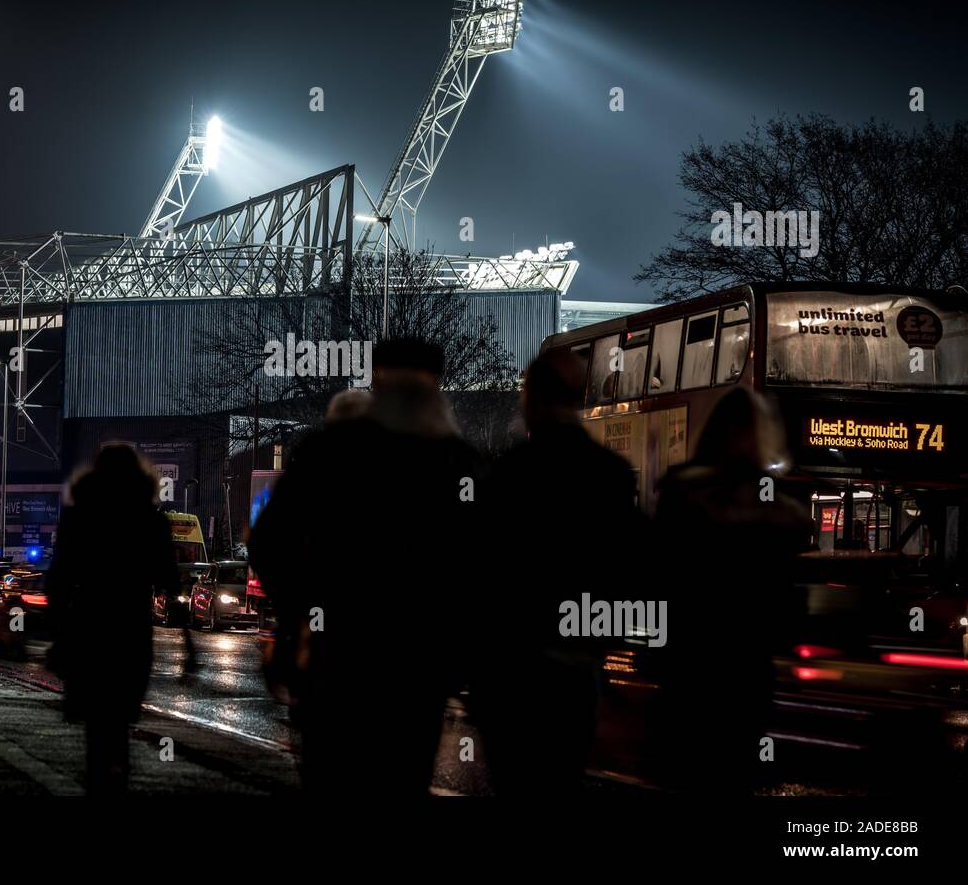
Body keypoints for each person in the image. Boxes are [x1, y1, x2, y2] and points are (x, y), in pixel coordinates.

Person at [249, 338, 480, 794]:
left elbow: (271, 541)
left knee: (332, 777)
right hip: (418, 668)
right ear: (436, 386)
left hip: (340, 659)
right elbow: (484, 564)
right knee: (403, 778)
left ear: (376, 380)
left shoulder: (328, 453)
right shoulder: (458, 462)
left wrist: (299, 616)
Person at [473, 348, 646, 794]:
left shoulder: (508, 475)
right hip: (576, 668)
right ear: (579, 398)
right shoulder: (611, 475)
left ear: (530, 399)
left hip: (511, 672)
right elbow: (631, 572)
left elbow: (479, 571)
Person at [650, 386, 811, 793]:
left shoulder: (681, 495)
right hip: (746, 674)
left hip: (688, 671)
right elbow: (786, 603)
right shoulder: (780, 512)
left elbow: (659, 584)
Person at [48, 445, 177, 793]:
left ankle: (99, 777)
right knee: (120, 717)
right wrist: (188, 643)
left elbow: (59, 577)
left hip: (90, 624)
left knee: (96, 721)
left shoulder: (80, 515)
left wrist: (58, 628)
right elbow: (169, 578)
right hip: (131, 626)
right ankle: (118, 774)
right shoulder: (150, 519)